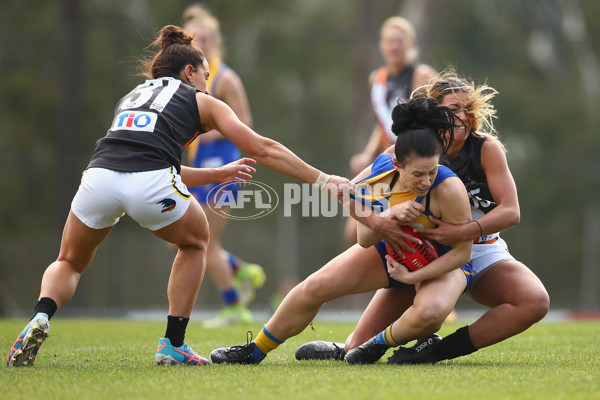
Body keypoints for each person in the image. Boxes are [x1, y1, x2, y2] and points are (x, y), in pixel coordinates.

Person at [6, 25, 351, 368]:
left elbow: (144, 160)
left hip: (99, 178)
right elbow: (262, 147)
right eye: (205, 74)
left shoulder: (131, 97)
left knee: (69, 261)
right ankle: (173, 344)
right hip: (150, 183)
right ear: (189, 72)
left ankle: (42, 314)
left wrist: (216, 174)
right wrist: (322, 179)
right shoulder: (201, 100)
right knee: (197, 241)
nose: (207, 81)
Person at [295, 70, 550, 364]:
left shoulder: (485, 149)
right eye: (453, 109)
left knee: (535, 301)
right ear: (434, 113)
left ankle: (436, 350)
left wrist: (462, 232)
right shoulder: (409, 150)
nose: (464, 116)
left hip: (479, 249)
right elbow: (352, 192)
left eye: (468, 109)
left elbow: (511, 212)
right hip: (419, 248)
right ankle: (347, 346)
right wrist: (379, 222)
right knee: (356, 350)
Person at [209, 96, 474, 365]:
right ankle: (255, 351)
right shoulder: (381, 171)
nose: (427, 181)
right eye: (418, 174)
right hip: (395, 255)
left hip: (440, 265)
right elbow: (363, 237)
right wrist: (385, 216)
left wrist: (412, 276)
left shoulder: (449, 189)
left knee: (430, 312)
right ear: (397, 164)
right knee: (316, 286)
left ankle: (384, 345)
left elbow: (463, 254)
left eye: (432, 171)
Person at [180, 4, 266, 328]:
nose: (200, 43)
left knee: (203, 241)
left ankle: (234, 306)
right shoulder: (186, 78)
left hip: (225, 166)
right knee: (185, 237)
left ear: (215, 40)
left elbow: (246, 122)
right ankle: (240, 268)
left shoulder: (226, 78)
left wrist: (207, 129)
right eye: (194, 38)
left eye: (205, 37)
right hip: (198, 165)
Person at [345, 16, 437, 245]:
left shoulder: (422, 75)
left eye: (400, 40)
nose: (395, 46)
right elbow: (384, 123)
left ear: (411, 45)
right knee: (353, 230)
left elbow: (441, 117)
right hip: (391, 159)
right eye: (390, 41)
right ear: (382, 45)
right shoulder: (376, 79)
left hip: (416, 159)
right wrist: (367, 155)